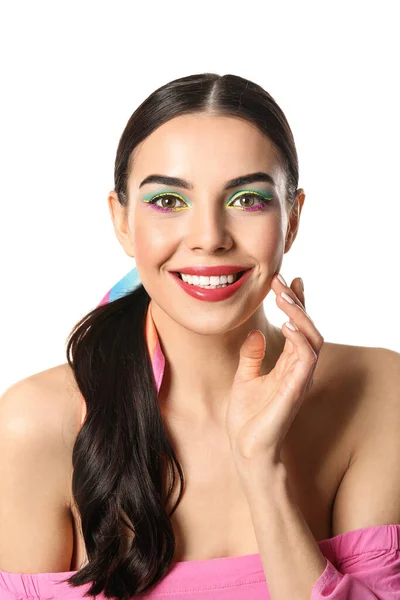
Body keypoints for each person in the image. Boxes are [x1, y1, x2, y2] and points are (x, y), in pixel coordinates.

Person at [0, 73, 399, 600]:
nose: (209, 238)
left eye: (248, 199)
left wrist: (262, 465)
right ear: (121, 220)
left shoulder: (380, 393)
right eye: (168, 201)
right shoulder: (34, 427)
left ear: (293, 218)